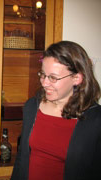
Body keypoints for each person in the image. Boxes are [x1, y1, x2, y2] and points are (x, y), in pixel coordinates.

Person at [11, 41, 101, 180]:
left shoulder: (96, 119)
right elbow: (22, 158)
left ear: (76, 78)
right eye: (43, 74)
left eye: (53, 77)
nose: (44, 83)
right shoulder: (32, 107)